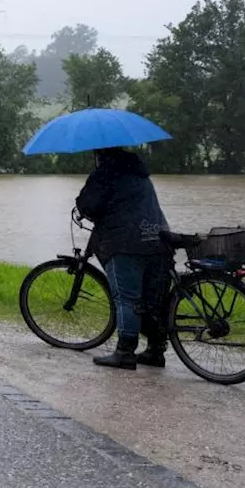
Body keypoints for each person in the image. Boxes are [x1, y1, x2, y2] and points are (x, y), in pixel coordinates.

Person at [75, 147, 171, 370]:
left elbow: (91, 205)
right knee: (152, 301)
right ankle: (156, 351)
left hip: (125, 242)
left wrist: (81, 204)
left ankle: (125, 352)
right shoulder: (140, 172)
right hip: (158, 238)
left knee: (126, 298)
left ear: (100, 154)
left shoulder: (105, 173)